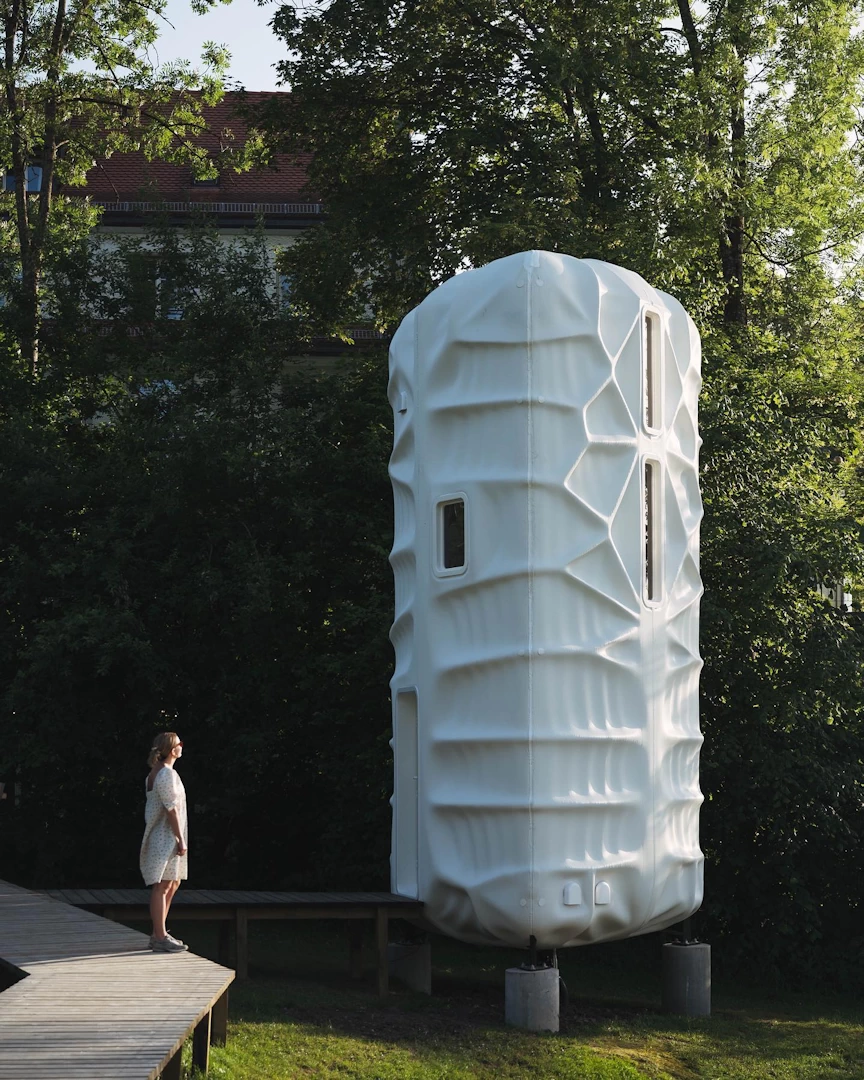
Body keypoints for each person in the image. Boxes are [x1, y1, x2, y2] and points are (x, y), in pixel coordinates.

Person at [140, 731, 189, 953]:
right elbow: (171, 809)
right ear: (172, 749)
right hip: (165, 835)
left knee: (172, 882)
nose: (182, 746)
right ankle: (159, 936)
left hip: (166, 834)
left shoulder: (157, 773)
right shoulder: (165, 774)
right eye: (179, 743)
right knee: (162, 885)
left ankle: (159, 933)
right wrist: (180, 838)